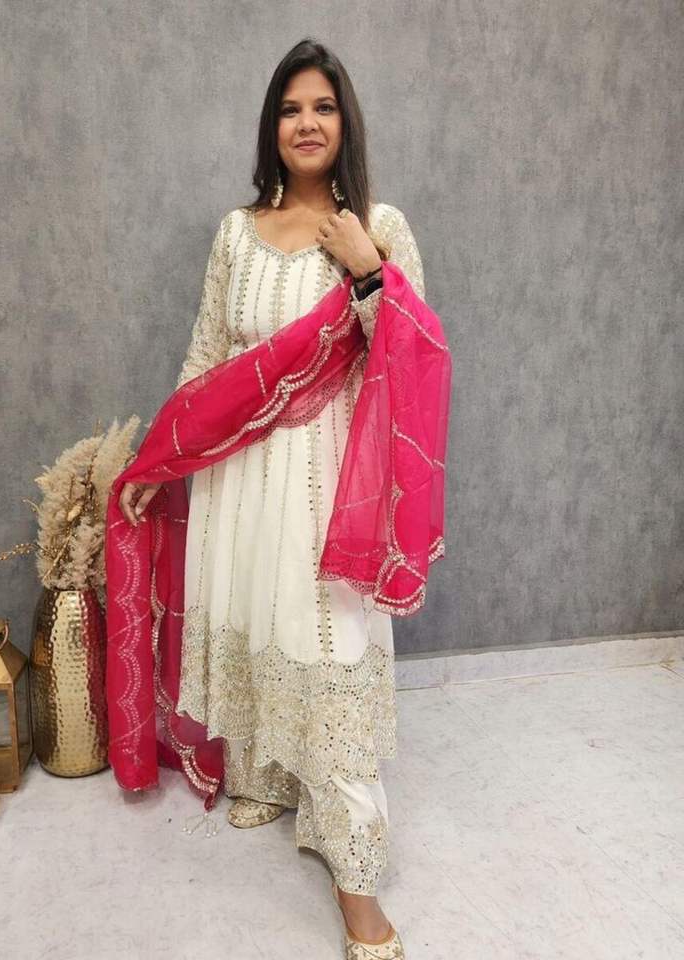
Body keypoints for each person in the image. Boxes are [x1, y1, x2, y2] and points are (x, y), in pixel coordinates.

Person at [118, 37, 432, 960]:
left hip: (329, 487)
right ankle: (267, 773)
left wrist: (367, 268)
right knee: (254, 628)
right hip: (239, 482)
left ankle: (358, 884)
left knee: (327, 656)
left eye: (323, 107)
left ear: (345, 122)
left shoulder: (378, 224)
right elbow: (207, 358)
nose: (307, 123)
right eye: (291, 108)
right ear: (272, 126)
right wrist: (159, 461)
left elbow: (411, 359)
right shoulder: (235, 232)